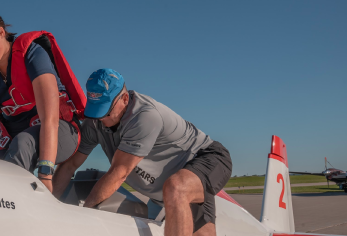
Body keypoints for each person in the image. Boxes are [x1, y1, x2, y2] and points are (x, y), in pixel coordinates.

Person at [53, 69, 232, 236]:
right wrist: (51, 203)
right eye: (96, 110)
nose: (101, 118)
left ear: (124, 99)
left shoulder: (144, 116)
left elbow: (119, 173)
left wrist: (84, 214)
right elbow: (69, 165)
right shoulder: (95, 123)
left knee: (176, 188)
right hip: (164, 189)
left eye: (106, 111)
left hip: (206, 158)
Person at [0, 7, 86, 193]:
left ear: (0, 32)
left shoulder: (32, 54)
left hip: (60, 131)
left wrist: (45, 175)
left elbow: (50, 119)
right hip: (16, 138)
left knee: (24, 143)